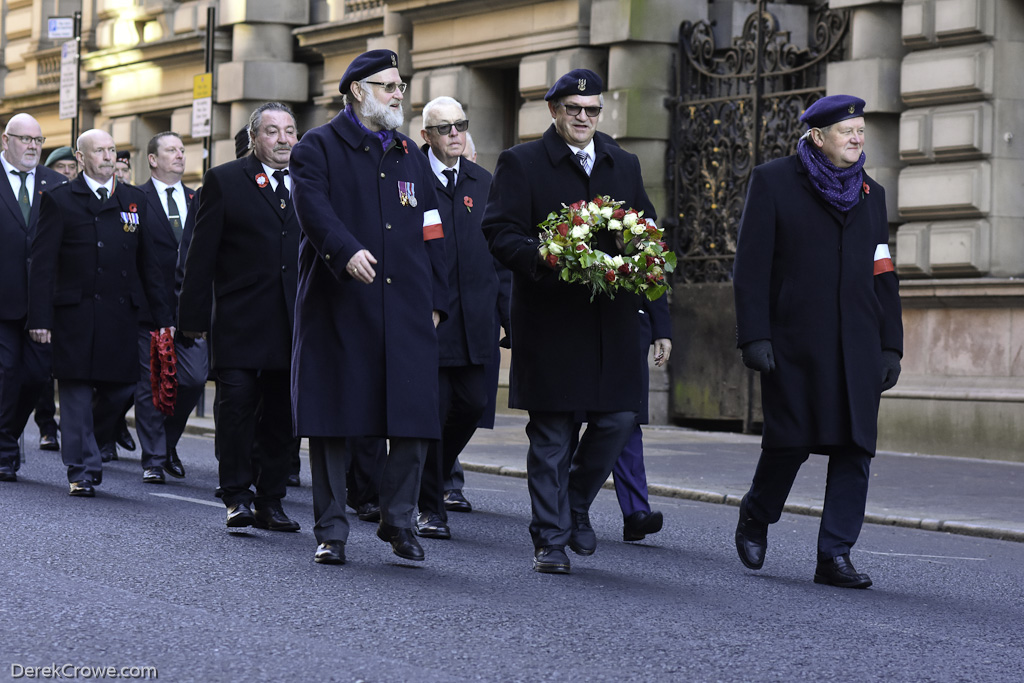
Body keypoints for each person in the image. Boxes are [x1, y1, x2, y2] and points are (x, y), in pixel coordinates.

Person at [482, 69, 657, 574]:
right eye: (574, 109)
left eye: (592, 110)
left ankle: (576, 502)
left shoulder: (622, 162)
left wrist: (650, 284)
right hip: (551, 321)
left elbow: (645, 231)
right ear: (554, 111)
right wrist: (545, 256)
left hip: (613, 323)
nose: (584, 118)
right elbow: (498, 231)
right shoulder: (522, 162)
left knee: (619, 419)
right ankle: (550, 538)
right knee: (554, 433)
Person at [731, 95, 903, 589]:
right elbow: (751, 267)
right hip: (795, 341)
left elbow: (883, 271)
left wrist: (892, 344)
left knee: (855, 449)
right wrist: (755, 336)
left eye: (861, 131)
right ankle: (756, 515)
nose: (856, 138)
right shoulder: (774, 180)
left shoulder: (872, 192)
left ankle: (835, 555)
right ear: (817, 136)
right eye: (846, 130)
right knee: (791, 442)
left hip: (858, 344)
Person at [289, 49, 448, 565]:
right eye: (387, 86)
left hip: (406, 305)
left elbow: (431, 227)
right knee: (335, 419)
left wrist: (438, 300)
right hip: (340, 304)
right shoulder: (317, 146)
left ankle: (398, 520)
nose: (398, 93)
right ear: (357, 90)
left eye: (400, 85)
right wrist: (345, 249)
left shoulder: (407, 151)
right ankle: (331, 529)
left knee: (413, 418)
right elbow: (312, 209)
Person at [178, 102, 302, 532]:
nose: (284, 139)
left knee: (283, 418)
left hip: (293, 325)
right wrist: (191, 320)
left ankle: (271, 499)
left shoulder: (310, 182)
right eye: (273, 131)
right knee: (236, 412)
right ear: (254, 138)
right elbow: (201, 256)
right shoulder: (225, 180)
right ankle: (236, 496)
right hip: (239, 322)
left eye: (290, 131)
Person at [27, 129, 172, 497]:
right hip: (74, 313)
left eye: (111, 150)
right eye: (99, 151)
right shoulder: (59, 200)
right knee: (75, 392)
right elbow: (43, 265)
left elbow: (149, 265)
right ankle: (82, 469)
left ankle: (91, 439)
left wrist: (164, 316)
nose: (108, 157)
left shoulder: (134, 199)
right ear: (81, 157)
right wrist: (40, 319)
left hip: (122, 313)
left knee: (122, 388)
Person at [413, 96, 501, 540]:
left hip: (477, 322)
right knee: (434, 412)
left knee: (473, 405)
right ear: (425, 135)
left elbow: (501, 255)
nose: (454, 134)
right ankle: (431, 508)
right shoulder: (409, 181)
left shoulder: (483, 181)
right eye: (444, 128)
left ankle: (429, 472)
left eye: (460, 126)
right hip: (430, 322)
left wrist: (508, 316)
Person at [0, 114, 68, 482]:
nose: (32, 147)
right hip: (2, 301)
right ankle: (4, 451)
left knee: (38, 376)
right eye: (25, 139)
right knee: (7, 373)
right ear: (6, 139)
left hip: (42, 303)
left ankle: (8, 431)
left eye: (38, 140)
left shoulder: (56, 185)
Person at [133, 132, 202, 484]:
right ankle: (154, 459)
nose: (179, 154)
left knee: (192, 378)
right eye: (171, 150)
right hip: (147, 307)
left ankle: (168, 441)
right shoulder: (136, 199)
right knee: (149, 386)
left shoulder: (197, 198)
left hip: (189, 308)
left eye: (181, 149)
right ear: (153, 159)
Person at [32, 146, 80, 452]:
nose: (67, 171)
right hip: (38, 289)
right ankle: (47, 424)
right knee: (40, 368)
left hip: (67, 293)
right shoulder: (45, 196)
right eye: (60, 166)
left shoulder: (77, 198)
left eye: (70, 166)